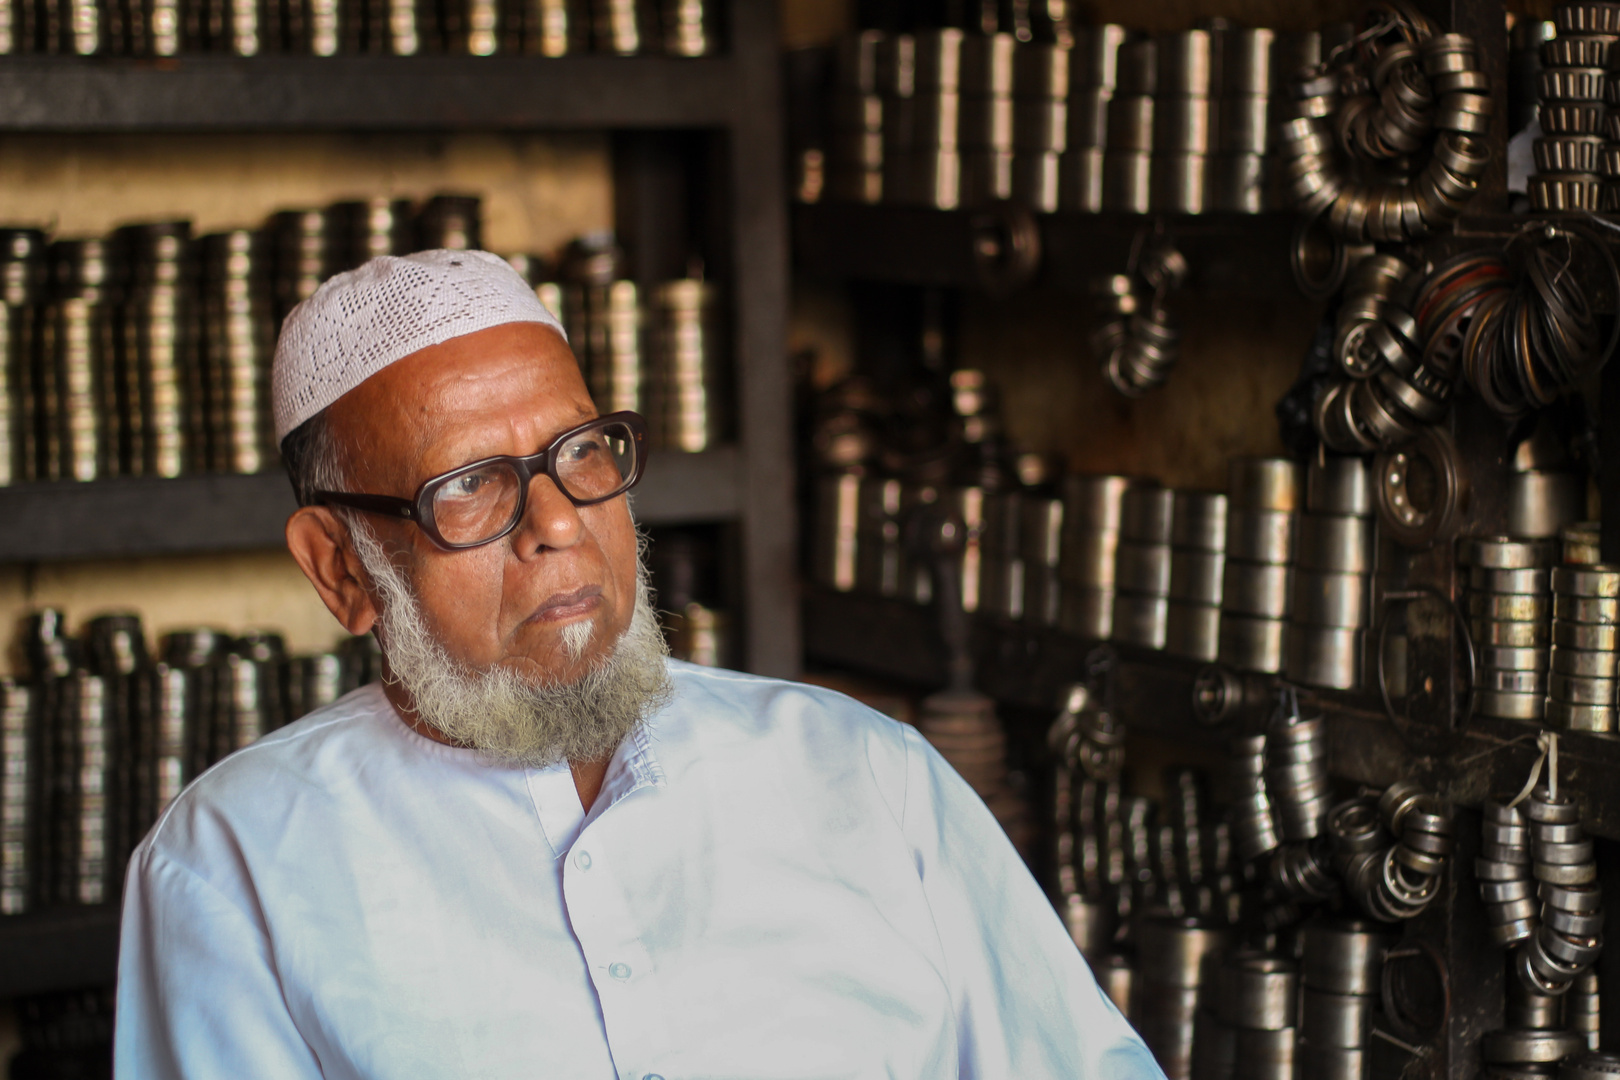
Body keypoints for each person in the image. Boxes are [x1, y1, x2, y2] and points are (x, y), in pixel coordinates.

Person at [114, 250, 1162, 1079]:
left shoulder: (865, 776)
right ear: (340, 569)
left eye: (581, 452)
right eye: (471, 485)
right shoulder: (233, 869)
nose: (560, 523)